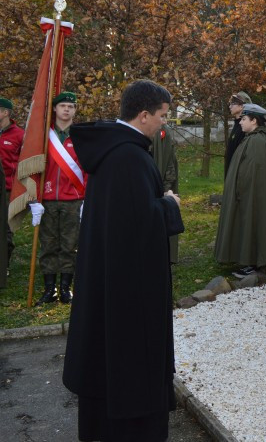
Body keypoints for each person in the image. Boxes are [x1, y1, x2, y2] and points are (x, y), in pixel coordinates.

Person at [63, 80, 183, 442]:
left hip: (111, 277)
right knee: (129, 359)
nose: (165, 123)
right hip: (128, 291)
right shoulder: (129, 158)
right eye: (162, 116)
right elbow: (138, 226)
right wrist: (169, 206)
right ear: (144, 115)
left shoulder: (116, 151)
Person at [214, 102, 266, 278]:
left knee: (253, 223)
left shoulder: (257, 142)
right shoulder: (253, 138)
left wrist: (239, 192)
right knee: (250, 223)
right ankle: (250, 260)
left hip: (250, 195)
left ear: (254, 121)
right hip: (247, 194)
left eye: (244, 119)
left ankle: (252, 261)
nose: (241, 122)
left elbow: (252, 174)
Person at [33, 91, 86, 305]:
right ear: (54, 109)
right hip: (47, 199)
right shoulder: (43, 136)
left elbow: (88, 168)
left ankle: (65, 288)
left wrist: (88, 199)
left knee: (70, 245)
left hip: (73, 199)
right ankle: (49, 289)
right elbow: (34, 167)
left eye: (71, 107)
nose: (67, 109)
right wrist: (34, 198)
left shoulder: (81, 136)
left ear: (75, 111)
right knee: (48, 245)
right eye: (63, 105)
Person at [0, 96, 24, 271]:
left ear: (5, 112)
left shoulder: (20, 135)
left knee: (5, 231)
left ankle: (3, 267)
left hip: (7, 190)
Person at [151, 121, 180, 264]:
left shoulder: (162, 132)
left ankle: (166, 255)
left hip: (162, 185)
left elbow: (167, 162)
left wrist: (166, 187)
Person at [224, 91, 251, 179]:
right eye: (230, 103)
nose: (230, 106)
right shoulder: (237, 124)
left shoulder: (246, 128)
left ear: (242, 106)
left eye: (233, 103)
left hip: (239, 176)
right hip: (231, 173)